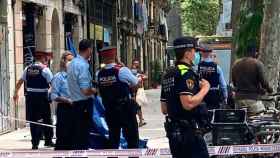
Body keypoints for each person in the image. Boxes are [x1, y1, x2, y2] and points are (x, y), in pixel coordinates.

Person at [160, 36, 210, 158]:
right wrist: (205, 89)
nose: (196, 54)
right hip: (189, 134)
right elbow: (188, 104)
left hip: (174, 134)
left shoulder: (168, 74)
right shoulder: (186, 73)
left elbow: (164, 109)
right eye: (194, 51)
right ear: (187, 53)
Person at [97, 46, 140, 152]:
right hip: (125, 109)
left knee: (113, 139)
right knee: (132, 138)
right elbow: (135, 82)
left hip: (110, 110)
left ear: (103, 58)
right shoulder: (122, 70)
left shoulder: (99, 73)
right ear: (115, 56)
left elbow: (100, 91)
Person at [13, 51, 54, 150]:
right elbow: (54, 84)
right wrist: (51, 93)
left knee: (33, 120)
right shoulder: (45, 70)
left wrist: (15, 93)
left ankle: (35, 143)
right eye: (46, 58)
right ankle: (48, 141)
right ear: (43, 58)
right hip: (42, 98)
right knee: (47, 119)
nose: (47, 60)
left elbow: (19, 82)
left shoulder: (27, 69)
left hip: (30, 98)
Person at [67, 39, 97, 150]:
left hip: (75, 103)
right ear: (89, 50)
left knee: (77, 136)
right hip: (84, 105)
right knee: (83, 137)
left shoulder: (72, 63)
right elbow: (85, 90)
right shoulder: (83, 66)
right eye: (91, 50)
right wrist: (94, 91)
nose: (91, 52)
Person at [232, 47, 273, 117]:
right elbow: (264, 82)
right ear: (255, 53)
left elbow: (234, 82)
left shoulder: (236, 64)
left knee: (241, 120)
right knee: (261, 118)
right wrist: (270, 90)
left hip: (238, 98)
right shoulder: (257, 63)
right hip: (252, 98)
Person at [50, 51, 74, 150]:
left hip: (75, 109)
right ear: (63, 61)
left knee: (74, 138)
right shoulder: (58, 77)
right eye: (69, 60)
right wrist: (67, 100)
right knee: (62, 138)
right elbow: (54, 95)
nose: (71, 63)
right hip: (64, 109)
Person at [198, 45, 228, 110]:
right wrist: (225, 97)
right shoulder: (217, 67)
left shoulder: (198, 67)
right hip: (214, 94)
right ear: (211, 52)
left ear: (201, 53)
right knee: (214, 114)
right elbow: (223, 85)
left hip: (202, 95)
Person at [131, 59, 147, 127]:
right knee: (136, 106)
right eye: (134, 63)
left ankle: (140, 120)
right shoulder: (130, 71)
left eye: (137, 63)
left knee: (138, 106)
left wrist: (142, 77)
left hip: (139, 90)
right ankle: (140, 120)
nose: (136, 65)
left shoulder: (140, 71)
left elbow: (146, 77)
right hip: (133, 91)